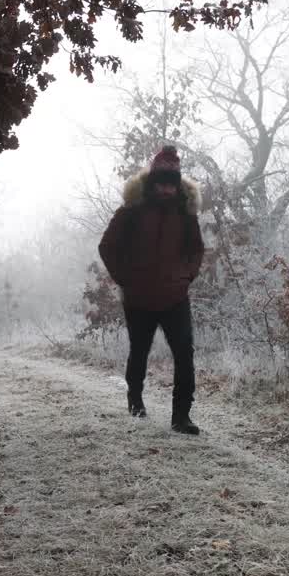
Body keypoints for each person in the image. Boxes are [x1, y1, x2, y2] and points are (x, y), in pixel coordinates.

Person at [98, 145, 205, 435]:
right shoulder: (132, 209)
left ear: (177, 183)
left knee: (185, 354)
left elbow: (196, 250)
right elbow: (107, 246)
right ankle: (135, 401)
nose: (166, 189)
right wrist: (125, 279)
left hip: (175, 297)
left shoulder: (186, 211)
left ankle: (181, 417)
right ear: (152, 182)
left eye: (171, 184)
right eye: (161, 183)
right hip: (138, 298)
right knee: (140, 351)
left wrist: (186, 277)